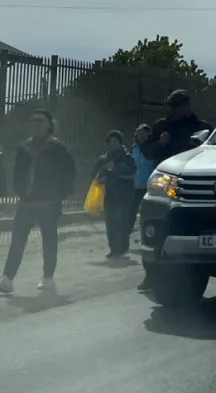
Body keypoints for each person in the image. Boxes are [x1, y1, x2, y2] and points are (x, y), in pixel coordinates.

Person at [137, 89, 211, 290]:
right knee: (155, 231)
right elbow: (149, 154)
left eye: (176, 106)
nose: (173, 110)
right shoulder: (162, 126)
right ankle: (151, 275)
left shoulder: (201, 128)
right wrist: (160, 143)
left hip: (194, 189)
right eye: (170, 106)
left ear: (186, 106)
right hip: (166, 187)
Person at [0, 109, 75, 295]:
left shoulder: (58, 148)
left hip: (49, 204)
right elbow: (17, 172)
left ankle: (47, 277)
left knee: (49, 241)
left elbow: (69, 173)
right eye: (33, 121)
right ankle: (7, 278)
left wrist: (59, 195)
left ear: (49, 125)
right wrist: (19, 190)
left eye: (40, 121)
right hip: (26, 203)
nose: (36, 124)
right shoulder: (24, 147)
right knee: (17, 240)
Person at [93, 130, 137, 259]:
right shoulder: (104, 158)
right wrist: (103, 172)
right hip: (109, 195)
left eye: (115, 141)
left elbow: (132, 171)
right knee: (110, 223)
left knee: (122, 222)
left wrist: (116, 168)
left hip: (124, 195)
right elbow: (95, 174)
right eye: (110, 141)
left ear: (120, 143)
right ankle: (114, 249)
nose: (112, 144)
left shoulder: (126, 156)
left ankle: (122, 248)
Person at [126, 124, 156, 238]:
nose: (142, 136)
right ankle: (126, 234)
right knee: (131, 212)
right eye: (140, 134)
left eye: (144, 134)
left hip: (148, 187)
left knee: (148, 213)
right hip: (134, 186)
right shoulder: (133, 149)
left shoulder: (151, 149)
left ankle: (148, 235)